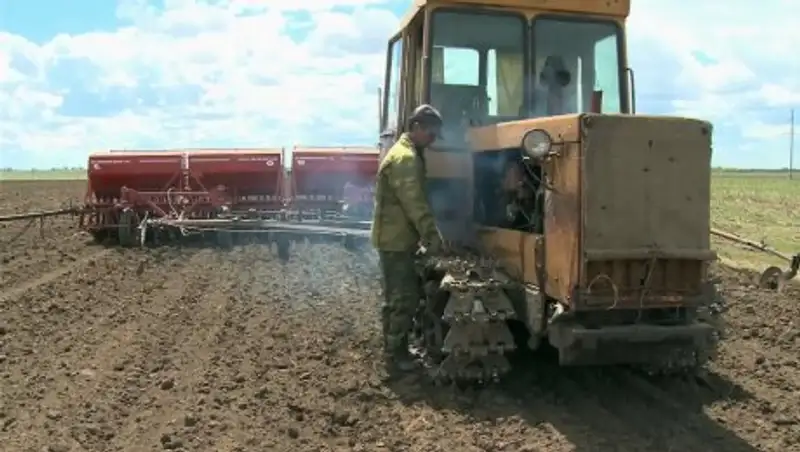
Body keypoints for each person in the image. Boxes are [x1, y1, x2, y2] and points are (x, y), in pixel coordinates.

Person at [370, 104, 446, 373]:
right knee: (402, 299)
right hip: (395, 242)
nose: (433, 140)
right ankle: (395, 356)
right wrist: (433, 237)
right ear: (415, 128)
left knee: (401, 297)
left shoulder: (409, 154)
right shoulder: (405, 159)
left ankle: (397, 348)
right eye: (431, 133)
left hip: (397, 238)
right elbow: (415, 204)